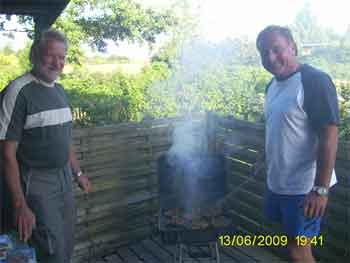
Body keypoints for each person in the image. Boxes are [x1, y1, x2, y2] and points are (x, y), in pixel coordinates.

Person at [0, 29, 91, 263]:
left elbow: (64, 138)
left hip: (64, 178)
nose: (57, 62)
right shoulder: (18, 92)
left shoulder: (59, 90)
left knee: (67, 240)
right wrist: (20, 204)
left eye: (62, 57)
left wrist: (77, 172)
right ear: (35, 55)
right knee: (50, 249)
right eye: (51, 55)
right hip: (36, 181)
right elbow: (7, 155)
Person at [256, 25, 339, 262]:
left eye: (276, 49)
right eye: (264, 53)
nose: (270, 57)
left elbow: (329, 135)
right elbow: (278, 129)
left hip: (304, 189)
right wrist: (264, 159)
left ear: (292, 47)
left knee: (298, 251)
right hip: (279, 183)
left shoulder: (315, 81)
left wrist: (320, 189)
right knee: (290, 245)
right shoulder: (271, 86)